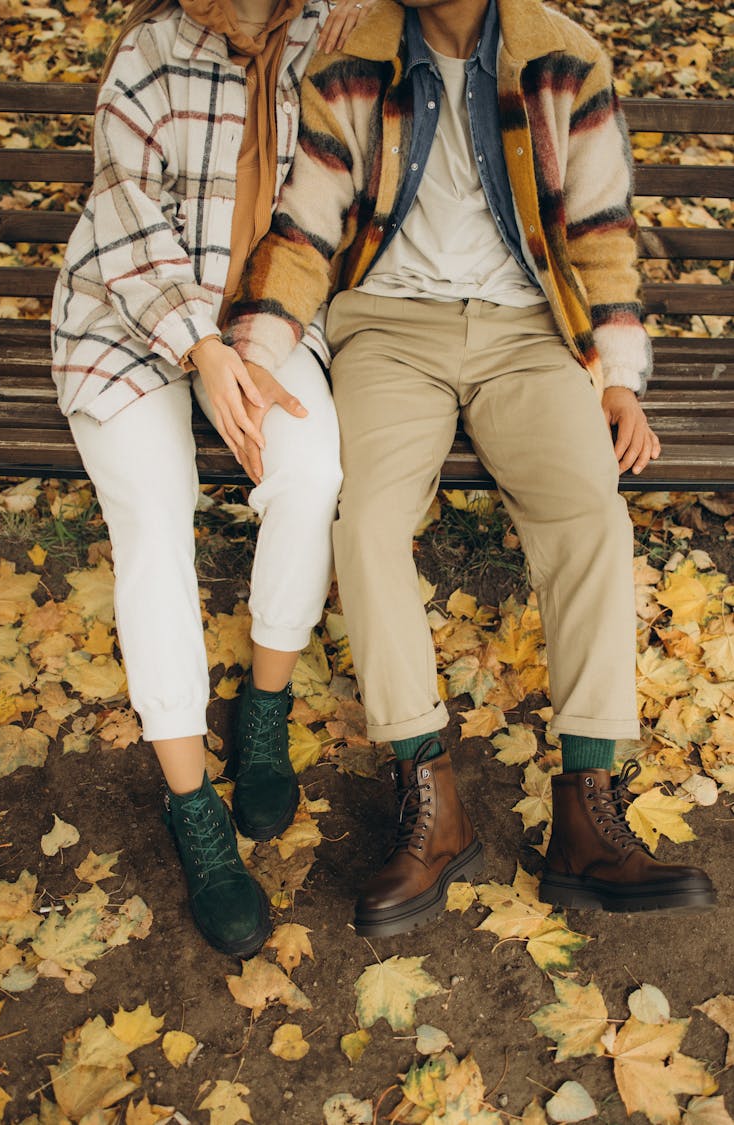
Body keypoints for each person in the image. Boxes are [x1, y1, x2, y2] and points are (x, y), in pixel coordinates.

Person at [224, 0, 716, 937]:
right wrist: (255, 351)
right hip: (389, 330)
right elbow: (307, 224)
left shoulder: (564, 59)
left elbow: (603, 228)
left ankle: (588, 811)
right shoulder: (354, 59)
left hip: (531, 334)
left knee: (590, 512)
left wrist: (615, 376)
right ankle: (430, 800)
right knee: (364, 522)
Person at [50, 0, 376, 959]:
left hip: (259, 321)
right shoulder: (152, 50)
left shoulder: (324, 37)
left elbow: (319, 211)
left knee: (312, 470)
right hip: (129, 318)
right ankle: (193, 807)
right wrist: (197, 345)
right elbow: (122, 209)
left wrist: (248, 341)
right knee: (156, 517)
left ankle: (263, 714)